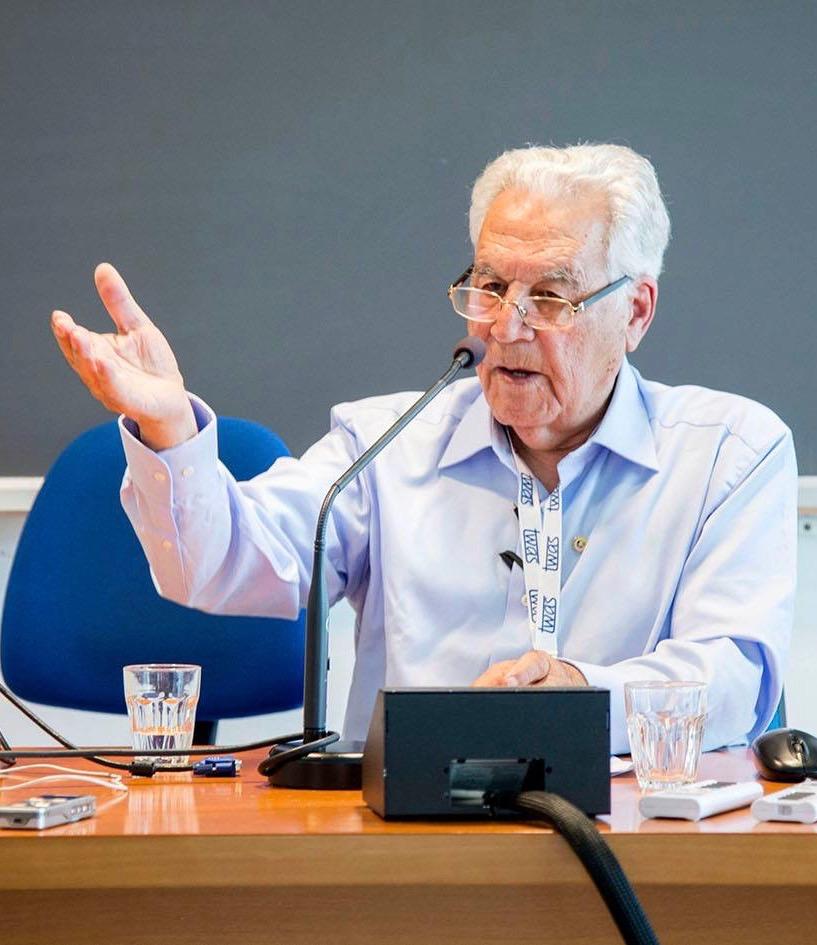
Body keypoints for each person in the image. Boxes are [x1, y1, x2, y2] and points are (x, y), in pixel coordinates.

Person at [50, 144, 797, 753]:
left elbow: (735, 677)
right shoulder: (385, 446)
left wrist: (579, 695)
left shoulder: (728, 456)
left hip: (633, 840)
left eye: (549, 298)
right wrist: (170, 429)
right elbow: (218, 565)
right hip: (408, 846)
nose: (504, 326)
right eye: (489, 286)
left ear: (634, 310)